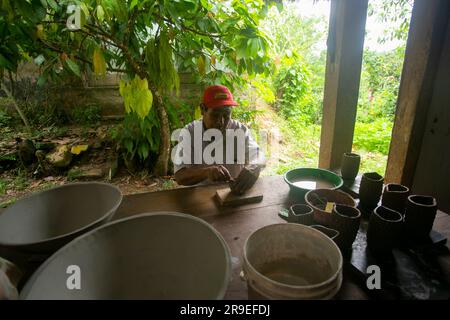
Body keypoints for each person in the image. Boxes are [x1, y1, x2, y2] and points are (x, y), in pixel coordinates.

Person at [173, 85, 265, 194]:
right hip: (201, 197)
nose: (221, 122)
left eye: (226, 115)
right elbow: (180, 176)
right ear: (203, 109)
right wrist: (206, 172)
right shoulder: (189, 133)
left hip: (234, 194)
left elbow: (259, 155)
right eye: (215, 115)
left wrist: (255, 165)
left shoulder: (239, 130)